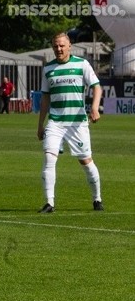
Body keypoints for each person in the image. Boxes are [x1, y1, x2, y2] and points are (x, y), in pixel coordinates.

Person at [36, 32, 103, 213]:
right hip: (55, 122)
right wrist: (40, 124)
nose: (58, 49)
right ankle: (50, 203)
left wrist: (95, 108)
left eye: (62, 45)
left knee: (86, 162)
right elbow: (45, 98)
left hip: (77, 123)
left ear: (69, 46)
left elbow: (96, 87)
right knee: (49, 158)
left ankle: (97, 199)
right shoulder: (48, 68)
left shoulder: (82, 64)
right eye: (56, 46)